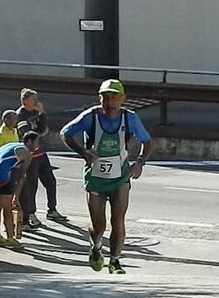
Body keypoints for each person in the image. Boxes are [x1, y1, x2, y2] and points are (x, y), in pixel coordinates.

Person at [60, 79, 151, 274]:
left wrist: (140, 162)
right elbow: (65, 133)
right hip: (95, 178)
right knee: (98, 225)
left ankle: (115, 261)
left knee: (118, 220)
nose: (110, 102)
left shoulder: (130, 118)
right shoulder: (90, 117)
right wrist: (83, 153)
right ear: (99, 98)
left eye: (114, 97)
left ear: (122, 99)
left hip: (120, 177)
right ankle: (96, 246)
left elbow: (147, 141)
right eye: (106, 97)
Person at [16, 88, 67, 229]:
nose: (37, 102)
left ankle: (52, 209)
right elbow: (29, 136)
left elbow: (44, 129)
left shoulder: (36, 113)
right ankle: (30, 214)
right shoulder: (21, 116)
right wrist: (40, 132)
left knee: (50, 181)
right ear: (25, 101)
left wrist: (42, 114)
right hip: (30, 156)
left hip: (41, 154)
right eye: (34, 100)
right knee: (31, 186)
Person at [0, 131, 41, 247]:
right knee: (7, 209)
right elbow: (22, 177)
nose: (38, 146)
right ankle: (10, 239)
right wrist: (17, 197)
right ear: (29, 142)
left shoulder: (11, 145)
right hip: (1, 176)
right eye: (36, 142)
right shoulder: (27, 154)